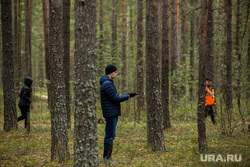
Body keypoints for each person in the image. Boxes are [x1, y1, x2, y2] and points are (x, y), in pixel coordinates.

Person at [100, 64, 137, 164]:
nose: (116, 74)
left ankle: (107, 158)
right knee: (109, 136)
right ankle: (107, 159)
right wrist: (128, 96)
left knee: (111, 135)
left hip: (111, 112)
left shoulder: (107, 83)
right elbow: (115, 98)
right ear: (111, 73)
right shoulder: (107, 84)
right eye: (115, 72)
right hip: (111, 113)